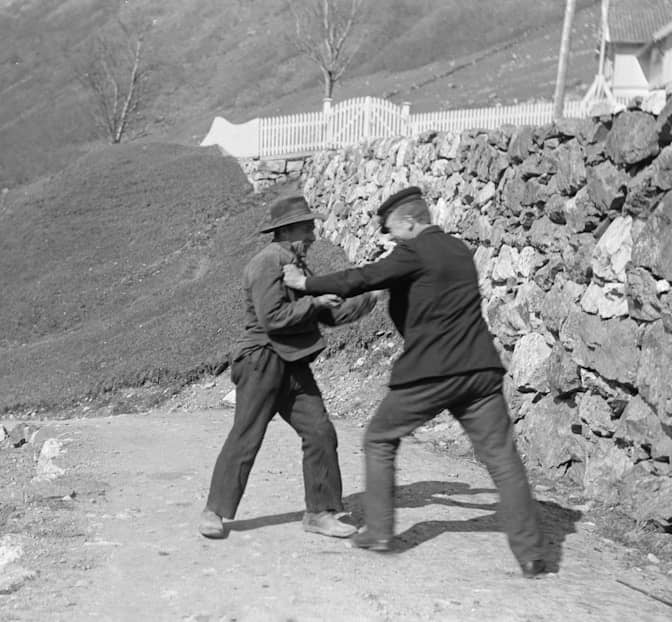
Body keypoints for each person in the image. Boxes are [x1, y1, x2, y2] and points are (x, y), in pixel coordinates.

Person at [282, 186, 546, 578]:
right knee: (503, 460)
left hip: (431, 372)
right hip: (480, 373)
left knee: (379, 440)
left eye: (392, 231)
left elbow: (363, 277)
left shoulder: (414, 250)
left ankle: (379, 533)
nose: (391, 241)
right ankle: (531, 555)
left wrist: (305, 285)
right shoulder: (458, 250)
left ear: (410, 221)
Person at [199, 195, 379, 540]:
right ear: (289, 230)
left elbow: (330, 313)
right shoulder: (266, 263)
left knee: (320, 432)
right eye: (308, 227)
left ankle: (321, 512)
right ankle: (215, 512)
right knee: (247, 435)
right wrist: (313, 301)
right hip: (261, 361)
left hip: (293, 364)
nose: (313, 235)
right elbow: (273, 319)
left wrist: (371, 296)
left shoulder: (296, 266)